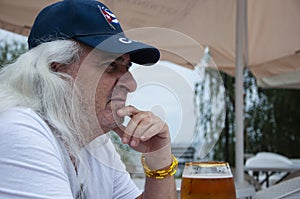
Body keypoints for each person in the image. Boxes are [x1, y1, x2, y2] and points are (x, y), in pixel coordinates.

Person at [0, 0, 178, 198]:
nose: (131, 84)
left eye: (127, 67)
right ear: (56, 70)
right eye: (111, 65)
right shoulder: (19, 129)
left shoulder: (96, 144)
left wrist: (159, 161)